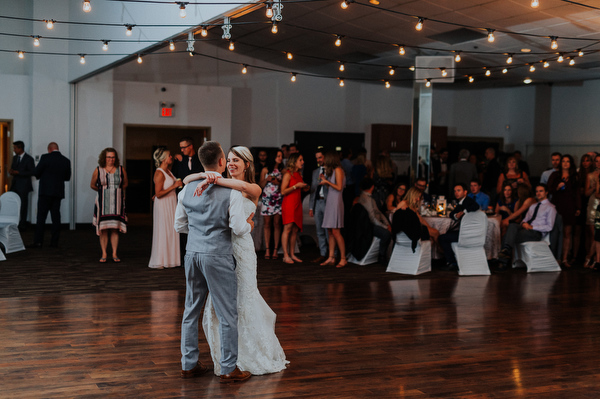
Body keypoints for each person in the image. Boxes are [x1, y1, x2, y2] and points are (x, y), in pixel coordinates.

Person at [183, 145, 289, 376]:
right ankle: (227, 357)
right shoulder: (215, 183)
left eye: (237, 161)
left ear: (247, 165)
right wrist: (205, 175)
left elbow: (240, 187)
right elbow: (186, 179)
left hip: (241, 248)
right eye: (229, 159)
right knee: (223, 306)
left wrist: (214, 179)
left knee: (243, 300)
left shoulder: (251, 187)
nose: (231, 164)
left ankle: (247, 354)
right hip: (220, 250)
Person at [174, 141, 253, 383]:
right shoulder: (232, 193)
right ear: (221, 162)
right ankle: (229, 368)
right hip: (218, 255)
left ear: (201, 162)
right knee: (227, 314)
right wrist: (250, 223)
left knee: (190, 310)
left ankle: (188, 365)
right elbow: (239, 229)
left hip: (192, 253)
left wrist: (199, 230)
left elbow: (179, 225)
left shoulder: (186, 190)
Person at [497, 184, 557, 269]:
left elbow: (549, 227)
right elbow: (525, 219)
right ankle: (506, 252)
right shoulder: (533, 206)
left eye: (541, 191)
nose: (538, 193)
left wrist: (532, 227)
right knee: (512, 225)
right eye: (537, 191)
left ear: (546, 193)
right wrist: (523, 224)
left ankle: (503, 260)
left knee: (508, 235)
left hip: (536, 233)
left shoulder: (551, 208)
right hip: (525, 229)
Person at [30, 142, 71, 248]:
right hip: (58, 192)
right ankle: (54, 242)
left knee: (41, 217)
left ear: (49, 149)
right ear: (57, 148)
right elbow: (67, 177)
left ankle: (38, 242)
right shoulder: (66, 160)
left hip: (45, 192)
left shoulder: (45, 157)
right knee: (56, 217)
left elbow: (36, 172)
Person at [90, 148, 128, 263]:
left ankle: (115, 253)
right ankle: (104, 253)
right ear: (104, 158)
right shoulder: (98, 170)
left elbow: (125, 183)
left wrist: (117, 191)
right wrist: (103, 190)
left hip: (117, 202)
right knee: (104, 229)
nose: (111, 159)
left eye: (112, 157)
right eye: (108, 157)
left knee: (115, 229)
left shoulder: (121, 169)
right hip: (103, 202)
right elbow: (92, 185)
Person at [149, 147, 182, 269]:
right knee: (163, 230)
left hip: (171, 203)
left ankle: (171, 260)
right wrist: (174, 186)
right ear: (163, 159)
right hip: (163, 205)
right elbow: (158, 194)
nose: (171, 157)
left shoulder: (168, 171)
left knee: (171, 230)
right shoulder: (159, 173)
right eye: (169, 156)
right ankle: (160, 260)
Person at [172, 137, 204, 264]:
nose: (181, 150)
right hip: (183, 197)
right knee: (183, 223)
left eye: (184, 147)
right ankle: (184, 254)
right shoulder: (179, 160)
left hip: (199, 197)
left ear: (191, 146)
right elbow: (175, 176)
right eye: (180, 147)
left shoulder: (200, 159)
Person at [438, 183, 480, 270]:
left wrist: (464, 212)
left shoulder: (468, 201)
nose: (456, 193)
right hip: (467, 233)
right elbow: (452, 214)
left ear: (465, 192)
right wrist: (456, 215)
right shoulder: (461, 203)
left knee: (442, 238)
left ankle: (452, 262)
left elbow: (476, 206)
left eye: (459, 190)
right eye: (455, 191)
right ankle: (452, 260)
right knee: (448, 233)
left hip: (468, 234)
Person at [548, 154, 580, 268]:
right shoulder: (555, 175)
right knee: (555, 232)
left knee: (567, 233)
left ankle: (565, 259)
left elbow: (577, 193)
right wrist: (557, 187)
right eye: (563, 161)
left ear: (571, 163)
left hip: (569, 206)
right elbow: (548, 189)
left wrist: (578, 207)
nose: (565, 163)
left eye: (568, 161)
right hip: (557, 205)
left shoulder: (574, 176)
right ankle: (554, 257)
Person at [319, 150, 347, 268]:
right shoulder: (333, 172)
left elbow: (339, 187)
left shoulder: (338, 170)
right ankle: (331, 257)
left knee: (336, 232)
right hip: (331, 200)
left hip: (336, 202)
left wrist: (327, 182)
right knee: (330, 231)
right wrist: (325, 181)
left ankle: (343, 258)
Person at [280, 153, 308, 264]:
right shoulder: (288, 174)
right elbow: (283, 191)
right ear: (294, 161)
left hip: (297, 203)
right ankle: (285, 255)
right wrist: (297, 186)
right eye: (300, 160)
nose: (303, 162)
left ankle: (292, 253)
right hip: (289, 203)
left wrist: (304, 187)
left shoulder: (298, 174)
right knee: (287, 228)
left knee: (295, 229)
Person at [357, 178, 392, 265]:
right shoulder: (367, 199)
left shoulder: (367, 197)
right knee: (386, 234)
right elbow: (372, 218)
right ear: (372, 187)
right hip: (368, 225)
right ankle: (382, 255)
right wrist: (385, 227)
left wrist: (387, 224)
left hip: (371, 223)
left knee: (388, 229)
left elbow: (378, 212)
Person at [259, 150, 284, 260]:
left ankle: (275, 249)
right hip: (267, 198)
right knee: (267, 224)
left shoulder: (282, 170)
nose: (280, 158)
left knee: (277, 224)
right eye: (278, 156)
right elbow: (260, 185)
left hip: (278, 198)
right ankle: (268, 249)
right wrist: (267, 179)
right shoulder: (265, 169)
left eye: (281, 156)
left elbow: (284, 184)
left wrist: (277, 182)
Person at [9, 140, 35, 228]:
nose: (14, 150)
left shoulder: (29, 159)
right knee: (13, 204)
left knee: (23, 206)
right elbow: (13, 167)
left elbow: (32, 172)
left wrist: (19, 172)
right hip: (15, 185)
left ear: (20, 148)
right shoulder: (15, 158)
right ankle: (14, 222)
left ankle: (22, 224)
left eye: (15, 148)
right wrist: (12, 171)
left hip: (24, 186)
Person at [308, 149, 328, 263]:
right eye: (317, 158)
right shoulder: (315, 172)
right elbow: (312, 190)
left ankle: (332, 254)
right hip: (317, 202)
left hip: (327, 202)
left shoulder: (331, 171)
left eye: (320, 157)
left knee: (328, 230)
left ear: (325, 157)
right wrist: (311, 207)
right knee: (319, 230)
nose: (318, 160)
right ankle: (323, 253)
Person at [574, 153, 594, 265]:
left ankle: (589, 255)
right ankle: (576, 256)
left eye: (588, 160)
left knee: (589, 232)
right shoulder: (578, 174)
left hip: (590, 202)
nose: (585, 163)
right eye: (583, 160)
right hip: (579, 203)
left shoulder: (594, 175)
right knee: (577, 231)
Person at [584, 154, 600, 267]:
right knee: (593, 234)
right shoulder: (590, 175)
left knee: (598, 234)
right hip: (594, 204)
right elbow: (586, 193)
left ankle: (593, 258)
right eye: (597, 161)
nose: (598, 163)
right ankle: (592, 257)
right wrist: (594, 187)